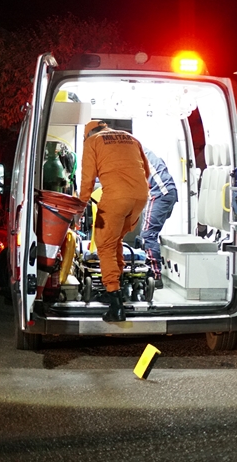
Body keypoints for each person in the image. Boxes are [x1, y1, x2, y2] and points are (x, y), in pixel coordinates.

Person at [79, 120, 150, 322]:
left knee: (104, 244)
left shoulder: (92, 141)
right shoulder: (131, 138)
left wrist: (81, 204)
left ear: (89, 133)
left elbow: (88, 178)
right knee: (115, 239)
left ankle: (115, 304)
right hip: (139, 198)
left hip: (115, 199)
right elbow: (146, 171)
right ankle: (117, 286)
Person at [140, 147, 178, 289]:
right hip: (167, 192)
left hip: (160, 194)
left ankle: (155, 277)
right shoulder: (143, 151)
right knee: (148, 233)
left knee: (148, 235)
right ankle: (149, 268)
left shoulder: (133, 153)